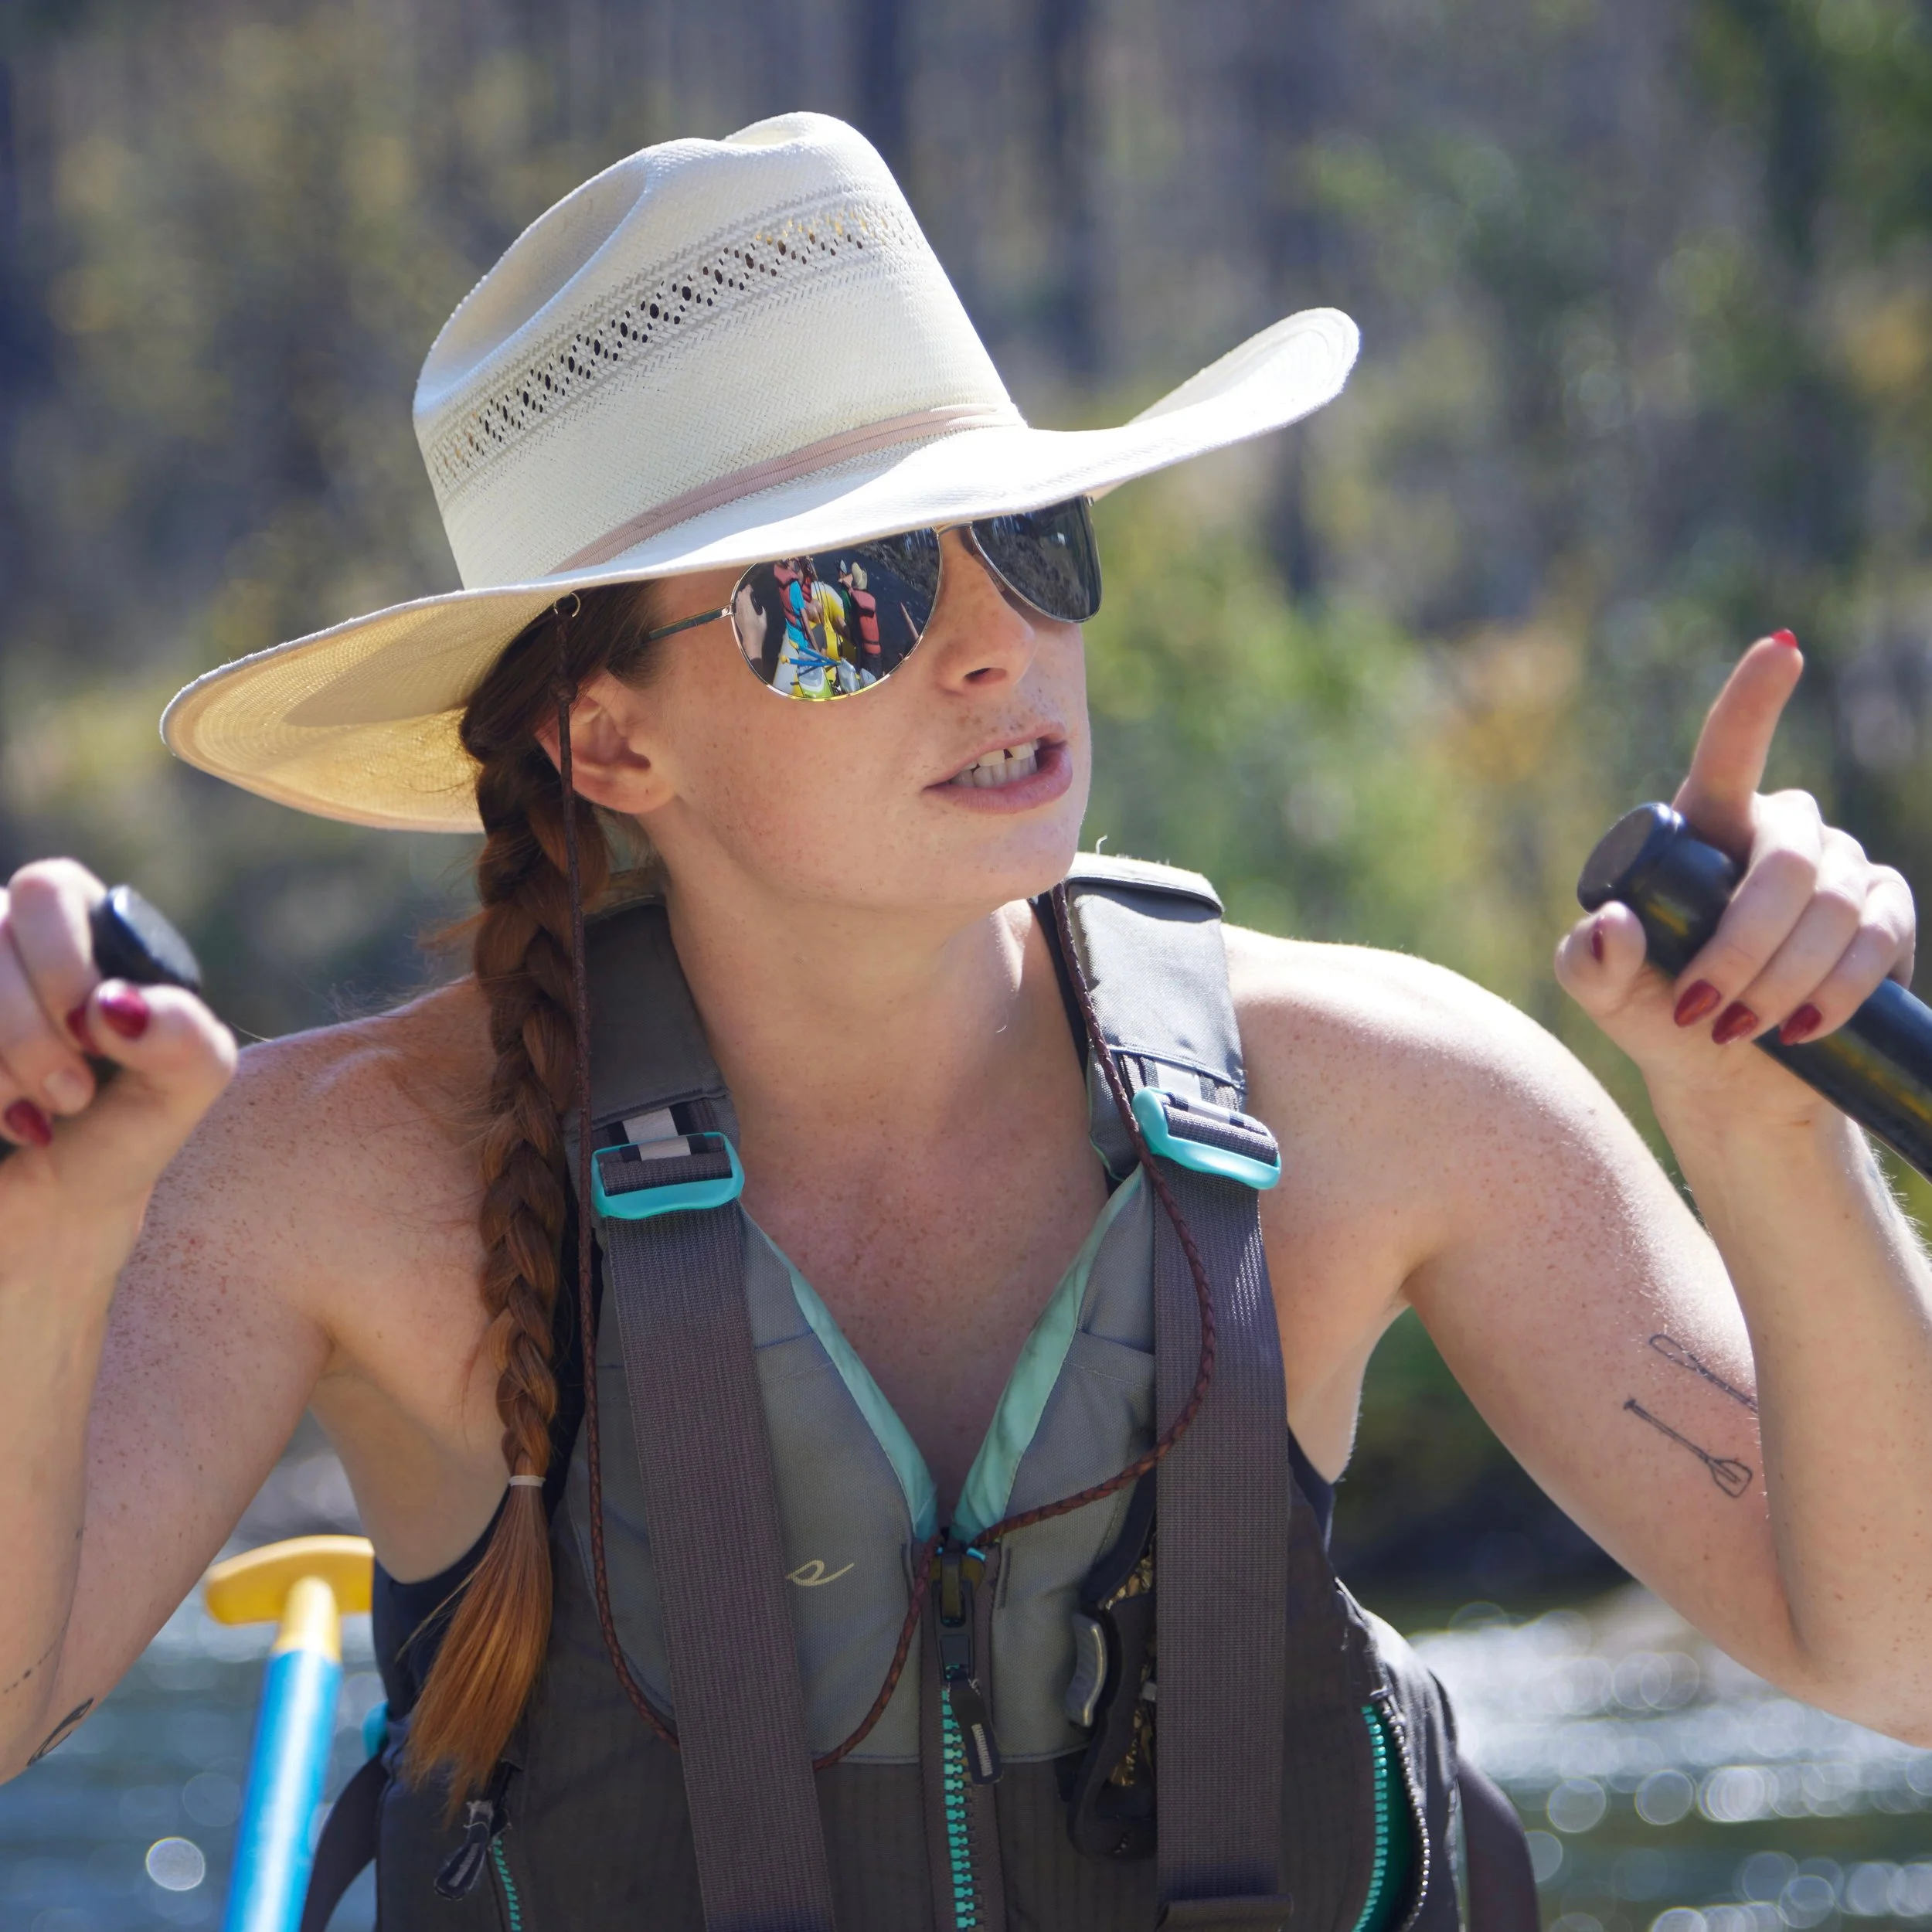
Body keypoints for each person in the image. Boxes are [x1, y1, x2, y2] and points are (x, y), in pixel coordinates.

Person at [2, 111, 1930, 1932]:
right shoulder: (326, 1179)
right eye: (844, 597)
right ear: (610, 742)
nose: (997, 642)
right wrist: (47, 1238)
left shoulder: (1384, 1098)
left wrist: (1771, 1133)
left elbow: (1893, 1656)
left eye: (1032, 540)